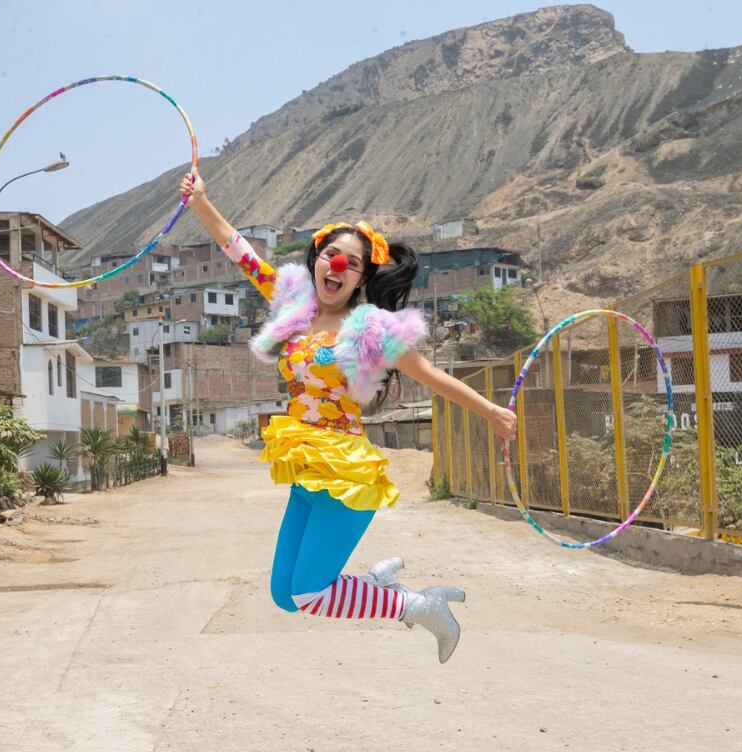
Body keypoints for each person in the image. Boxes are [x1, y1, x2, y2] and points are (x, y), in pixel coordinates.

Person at [179, 172, 517, 663]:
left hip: (344, 471)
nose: (336, 265)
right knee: (284, 595)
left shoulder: (369, 330)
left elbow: (430, 376)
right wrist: (201, 202)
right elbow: (239, 250)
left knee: (308, 594)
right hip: (304, 463)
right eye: (329, 255)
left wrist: (490, 411)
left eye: (352, 262)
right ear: (315, 260)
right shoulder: (293, 303)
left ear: (361, 277)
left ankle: (420, 605)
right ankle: (375, 584)